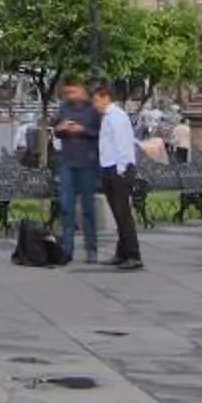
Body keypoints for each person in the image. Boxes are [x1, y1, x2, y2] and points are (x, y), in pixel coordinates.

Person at [50, 79, 101, 263]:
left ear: (81, 91)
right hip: (67, 161)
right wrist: (61, 128)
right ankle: (67, 248)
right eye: (66, 93)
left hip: (87, 161)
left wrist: (83, 130)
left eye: (72, 92)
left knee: (88, 207)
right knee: (66, 207)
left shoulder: (93, 109)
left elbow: (99, 133)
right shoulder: (64, 108)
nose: (69, 96)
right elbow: (55, 128)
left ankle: (91, 248)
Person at [93, 84, 143, 272]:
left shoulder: (116, 117)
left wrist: (121, 170)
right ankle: (122, 252)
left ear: (106, 97)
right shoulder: (108, 118)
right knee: (118, 214)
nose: (95, 105)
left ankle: (133, 254)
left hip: (118, 170)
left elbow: (123, 144)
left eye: (97, 100)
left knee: (123, 214)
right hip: (109, 168)